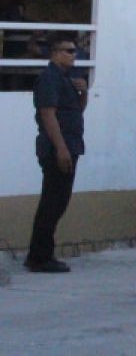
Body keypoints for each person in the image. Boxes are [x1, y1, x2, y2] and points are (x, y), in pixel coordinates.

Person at [25, 37, 87, 273]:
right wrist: (61, 149)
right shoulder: (50, 78)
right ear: (55, 53)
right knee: (52, 203)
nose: (74, 55)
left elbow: (75, 112)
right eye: (68, 51)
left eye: (75, 51)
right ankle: (40, 256)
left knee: (58, 202)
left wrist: (83, 94)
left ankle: (40, 253)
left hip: (70, 145)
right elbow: (48, 115)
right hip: (57, 148)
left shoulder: (67, 79)